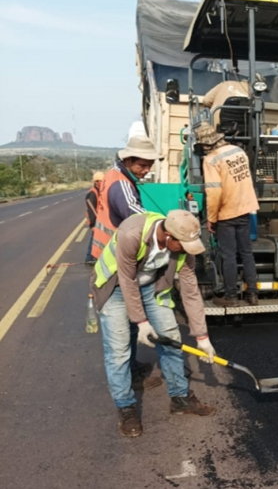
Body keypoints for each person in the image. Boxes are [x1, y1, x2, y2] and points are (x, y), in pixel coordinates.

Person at [91, 209, 217, 438]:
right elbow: (127, 281)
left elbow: (190, 292)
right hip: (115, 287)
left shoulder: (182, 247)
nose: (188, 252)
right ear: (168, 237)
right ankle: (126, 407)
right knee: (119, 351)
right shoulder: (132, 234)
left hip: (151, 287)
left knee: (171, 339)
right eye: (184, 246)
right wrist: (141, 322)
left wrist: (202, 336)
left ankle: (180, 399)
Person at [91, 135, 163, 389]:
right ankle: (125, 391)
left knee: (132, 324)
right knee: (119, 338)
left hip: (114, 257)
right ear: (128, 160)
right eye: (142, 165)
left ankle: (132, 368)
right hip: (113, 265)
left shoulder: (117, 176)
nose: (147, 170)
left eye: (150, 165)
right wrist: (167, 227)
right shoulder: (120, 185)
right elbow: (138, 220)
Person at [195, 122, 259, 307]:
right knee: (247, 253)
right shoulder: (238, 152)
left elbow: (214, 192)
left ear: (206, 144)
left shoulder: (211, 160)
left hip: (227, 213)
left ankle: (231, 297)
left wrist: (211, 218)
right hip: (245, 208)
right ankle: (252, 295)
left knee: (229, 255)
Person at [84, 171, 104, 265]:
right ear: (96, 182)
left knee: (97, 239)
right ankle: (89, 257)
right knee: (94, 239)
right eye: (99, 181)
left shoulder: (100, 191)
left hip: (99, 220)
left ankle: (93, 257)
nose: (101, 183)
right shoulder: (92, 193)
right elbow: (91, 210)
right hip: (94, 220)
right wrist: (93, 224)